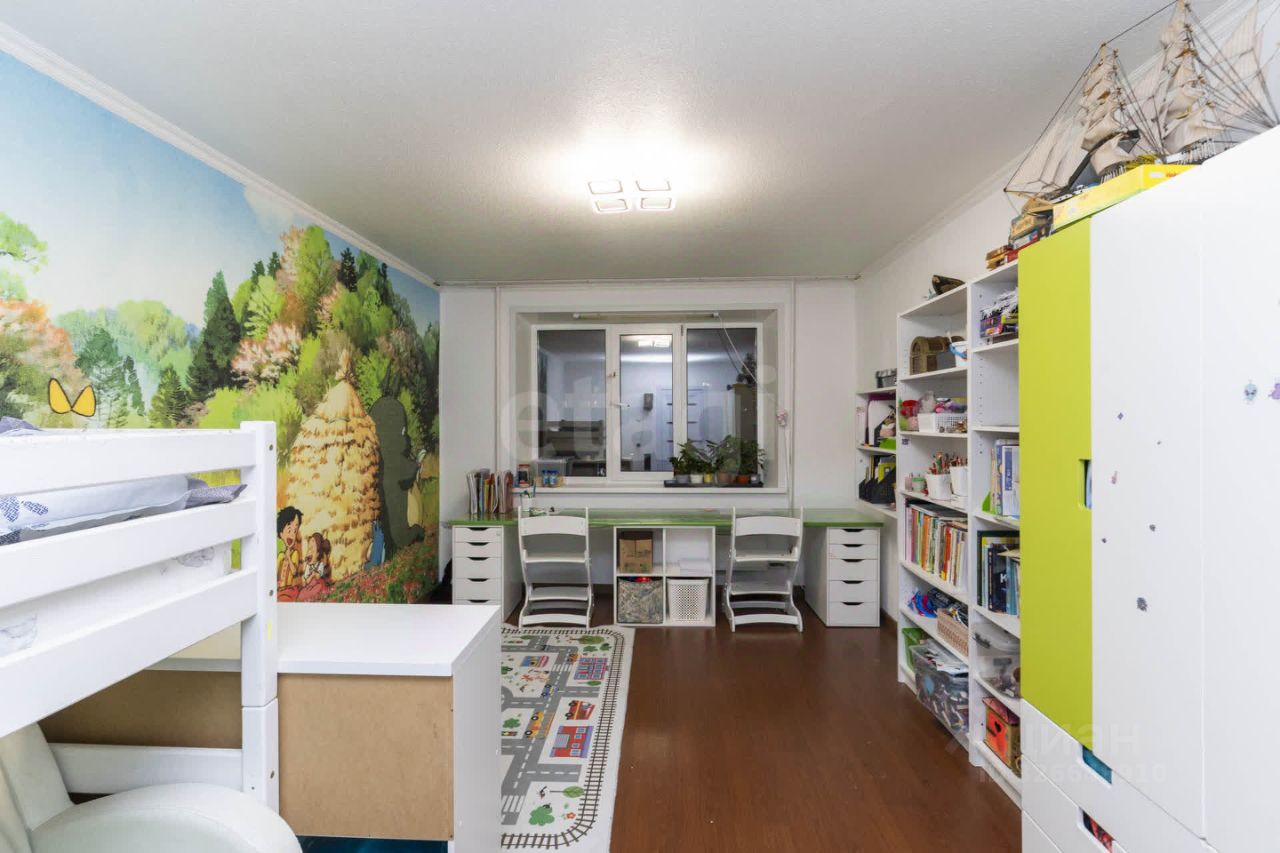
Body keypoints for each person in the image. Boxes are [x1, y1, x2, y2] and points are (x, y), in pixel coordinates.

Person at [276, 506, 304, 589]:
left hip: (289, 588)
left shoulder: (294, 554)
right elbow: (276, 571)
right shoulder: (280, 556)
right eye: (289, 530)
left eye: (294, 531)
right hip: (280, 588)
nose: (292, 535)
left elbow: (294, 572)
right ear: (281, 534)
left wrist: (288, 557)